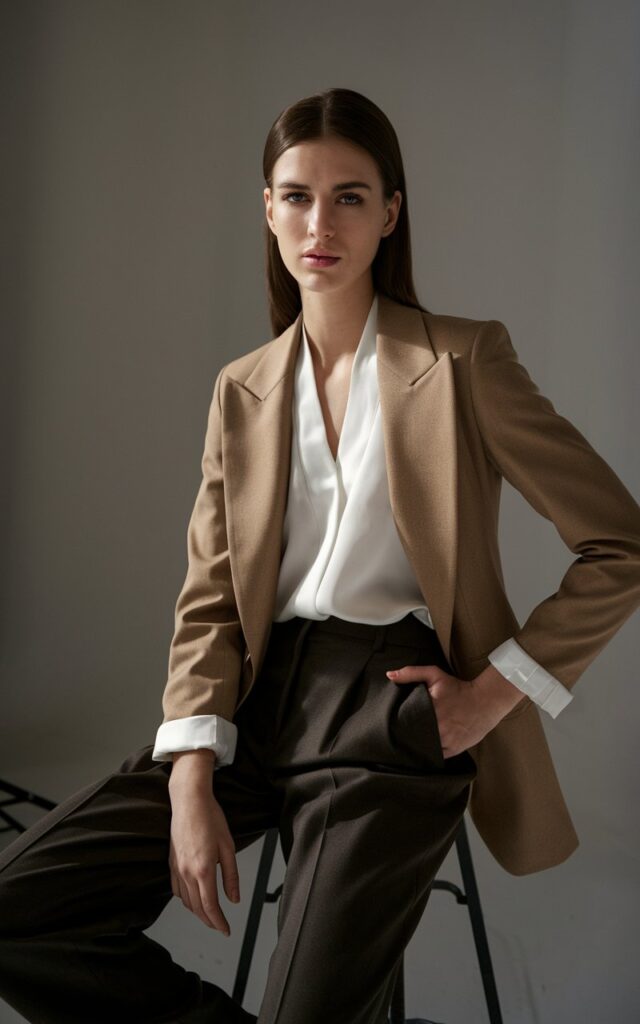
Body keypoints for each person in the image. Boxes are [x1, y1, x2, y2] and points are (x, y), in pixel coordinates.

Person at [1, 86, 640, 1024]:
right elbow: (212, 600)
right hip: (253, 707)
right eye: (298, 196)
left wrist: (492, 694)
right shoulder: (242, 389)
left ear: (391, 213)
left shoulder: (463, 363)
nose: (320, 223)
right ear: (268, 209)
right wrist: (190, 777)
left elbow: (621, 544)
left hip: (393, 713)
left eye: (350, 197)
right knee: (17, 913)